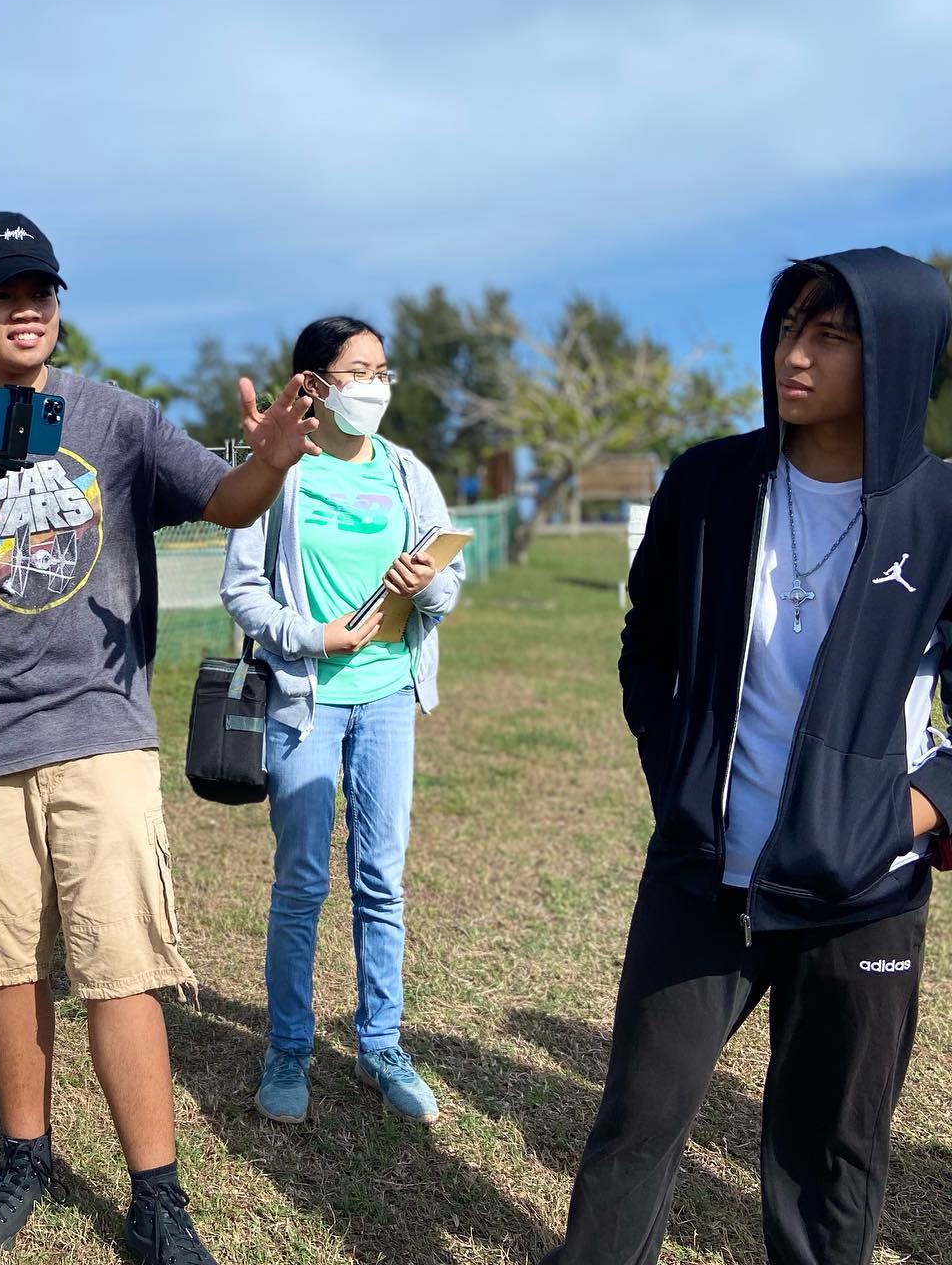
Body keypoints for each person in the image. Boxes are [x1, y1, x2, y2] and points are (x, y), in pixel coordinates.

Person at [0, 211, 317, 1265]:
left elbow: (227, 499)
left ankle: (157, 1198)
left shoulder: (115, 416)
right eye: (1, 294)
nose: (28, 310)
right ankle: (25, 1158)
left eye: (43, 291)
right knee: (6, 964)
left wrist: (274, 462)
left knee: (121, 962)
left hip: (99, 727)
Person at [541, 248, 952, 1265]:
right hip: (703, 873)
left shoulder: (943, 514)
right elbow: (649, 644)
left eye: (832, 335)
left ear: (896, 354)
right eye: (789, 328)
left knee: (828, 1159)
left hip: (862, 895)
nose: (793, 356)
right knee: (637, 1124)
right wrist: (677, 772)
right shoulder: (710, 483)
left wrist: (896, 821)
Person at [219, 316, 464, 1127]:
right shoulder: (281, 473)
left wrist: (426, 584)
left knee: (380, 880)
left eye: (383, 371)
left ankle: (381, 1044)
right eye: (359, 371)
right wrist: (311, 636)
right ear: (315, 385)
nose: (376, 386)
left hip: (389, 696)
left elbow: (447, 583)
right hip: (306, 701)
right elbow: (242, 591)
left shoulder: (406, 472)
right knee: (302, 882)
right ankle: (289, 1048)